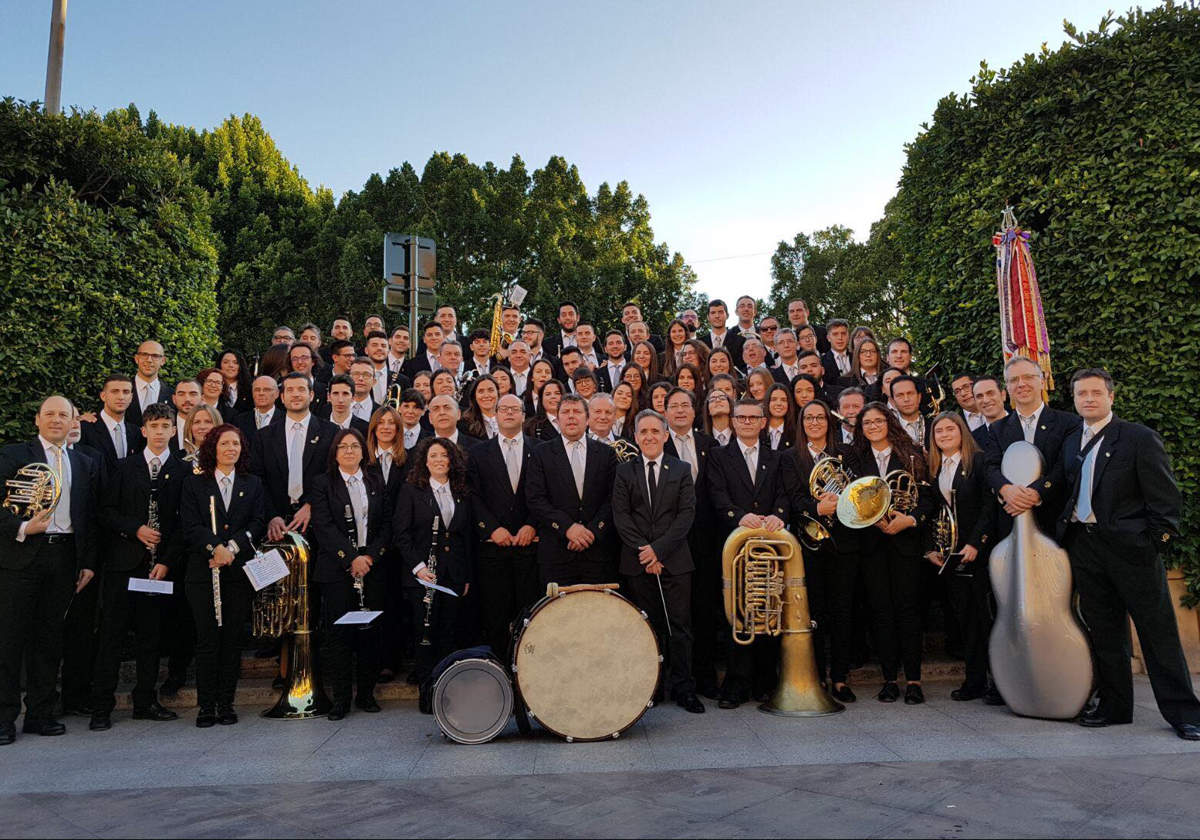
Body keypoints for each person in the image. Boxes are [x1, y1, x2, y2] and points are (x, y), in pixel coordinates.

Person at [1056, 369, 1199, 740]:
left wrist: (1153, 543)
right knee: (1104, 632)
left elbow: (1165, 500)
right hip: (1085, 546)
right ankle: (1115, 707)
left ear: (1110, 397)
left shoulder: (1138, 438)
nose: (1088, 398)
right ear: (1073, 399)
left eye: (1095, 393)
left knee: (1158, 633)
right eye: (1081, 393)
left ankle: (1186, 714)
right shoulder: (1073, 440)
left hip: (1132, 549)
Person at [0, 396, 100, 745]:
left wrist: (86, 561)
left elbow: (89, 517)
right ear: (37, 419)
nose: (57, 420)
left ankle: (40, 714)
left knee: (48, 639)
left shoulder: (85, 461)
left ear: (75, 421)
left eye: (64, 415)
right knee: (9, 639)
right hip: (22, 555)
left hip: (65, 557)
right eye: (50, 414)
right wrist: (24, 528)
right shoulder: (12, 456)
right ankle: (3, 718)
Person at [89, 402, 184, 730]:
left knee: (151, 638)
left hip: (158, 569)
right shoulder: (123, 467)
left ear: (174, 430)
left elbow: (184, 524)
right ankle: (101, 704)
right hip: (123, 564)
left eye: (165, 426)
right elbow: (105, 511)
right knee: (112, 637)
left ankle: (145, 700)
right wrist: (136, 529)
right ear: (143, 431)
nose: (159, 432)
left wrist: (168, 561)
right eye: (153, 426)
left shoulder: (183, 470)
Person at [612, 409, 702, 714]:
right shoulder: (625, 472)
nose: (649, 437)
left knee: (680, 627)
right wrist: (645, 551)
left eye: (655, 431)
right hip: (637, 561)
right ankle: (652, 688)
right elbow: (621, 515)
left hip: (674, 560)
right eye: (643, 432)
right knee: (645, 627)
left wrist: (659, 551)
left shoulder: (681, 469)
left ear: (665, 435)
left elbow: (686, 515)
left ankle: (684, 688)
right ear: (635, 437)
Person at [847, 403, 936, 705]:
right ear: (860, 428)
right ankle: (888, 680)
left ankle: (913, 680)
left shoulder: (911, 455)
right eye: (866, 423)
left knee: (908, 611)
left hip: (905, 542)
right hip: (871, 545)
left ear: (890, 423)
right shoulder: (854, 458)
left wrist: (909, 520)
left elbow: (927, 500)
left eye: (878, 421)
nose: (873, 427)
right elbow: (850, 502)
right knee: (880, 612)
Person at [179, 424, 266, 727]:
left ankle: (226, 702)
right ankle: (206, 705)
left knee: (231, 640)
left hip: (237, 573)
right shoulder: (194, 484)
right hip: (203, 573)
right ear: (213, 447)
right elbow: (189, 525)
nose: (231, 448)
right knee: (207, 639)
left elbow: (257, 522)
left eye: (236, 444)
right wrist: (213, 547)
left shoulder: (252, 482)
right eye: (225, 443)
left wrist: (231, 547)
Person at [707, 397, 790, 709]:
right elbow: (716, 494)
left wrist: (779, 514)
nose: (746, 422)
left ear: (763, 422)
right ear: (733, 421)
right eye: (740, 417)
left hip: (769, 546)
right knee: (737, 615)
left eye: (753, 417)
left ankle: (765, 684)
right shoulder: (717, 456)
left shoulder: (777, 457)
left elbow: (784, 493)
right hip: (735, 547)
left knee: (768, 612)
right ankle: (737, 685)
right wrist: (738, 515)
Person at [310, 428, 392, 720]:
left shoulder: (375, 480)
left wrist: (369, 556)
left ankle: (366, 694)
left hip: (372, 569)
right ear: (335, 452)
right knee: (340, 634)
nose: (349, 451)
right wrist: (350, 559)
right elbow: (323, 527)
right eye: (343, 447)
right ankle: (342, 699)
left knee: (370, 633)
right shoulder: (322, 483)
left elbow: (386, 525)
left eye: (355, 446)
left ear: (363, 451)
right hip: (337, 570)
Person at [925, 412, 997, 704]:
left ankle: (1000, 682)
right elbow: (931, 510)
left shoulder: (977, 462)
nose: (944, 434)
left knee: (986, 619)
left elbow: (989, 506)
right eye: (938, 431)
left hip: (976, 552)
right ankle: (975, 679)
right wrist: (931, 548)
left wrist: (976, 543)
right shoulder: (935, 468)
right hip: (950, 555)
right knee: (965, 620)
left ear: (962, 432)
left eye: (949, 429)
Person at [393, 438, 474, 683]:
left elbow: (466, 536)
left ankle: (444, 687)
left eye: (444, 455)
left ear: (452, 460)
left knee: (449, 633)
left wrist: (467, 574)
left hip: (454, 574)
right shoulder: (411, 490)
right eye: (433, 456)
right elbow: (401, 533)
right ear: (425, 462)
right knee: (425, 632)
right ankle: (427, 689)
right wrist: (418, 568)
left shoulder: (461, 490)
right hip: (424, 575)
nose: (439, 460)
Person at [467, 394, 541, 655]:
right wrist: (491, 528)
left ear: (523, 415)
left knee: (530, 616)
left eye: (515, 409)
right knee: (495, 616)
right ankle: (498, 670)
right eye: (503, 409)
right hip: (493, 550)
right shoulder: (477, 453)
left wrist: (532, 524)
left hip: (529, 548)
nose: (509, 413)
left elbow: (546, 494)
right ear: (495, 415)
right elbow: (472, 496)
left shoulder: (541, 449)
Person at [780, 399, 844, 696]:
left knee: (842, 609)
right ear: (801, 423)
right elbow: (793, 499)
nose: (815, 422)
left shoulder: (843, 454)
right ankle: (817, 676)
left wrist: (840, 506)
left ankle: (841, 677)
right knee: (815, 610)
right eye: (809, 418)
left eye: (820, 417)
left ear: (829, 423)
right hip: (810, 542)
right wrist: (819, 508)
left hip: (844, 540)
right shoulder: (791, 457)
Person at [662, 388, 721, 700]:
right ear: (665, 412)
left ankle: (707, 676)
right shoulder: (657, 444)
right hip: (671, 541)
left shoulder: (709, 445)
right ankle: (676, 679)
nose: (681, 410)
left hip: (706, 541)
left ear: (695, 410)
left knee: (705, 610)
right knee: (676, 614)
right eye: (674, 406)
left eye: (686, 405)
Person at [526, 394, 618, 587]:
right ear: (557, 420)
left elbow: (613, 498)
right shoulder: (540, 453)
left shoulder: (606, 454)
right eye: (565, 412)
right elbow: (535, 499)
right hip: (556, 554)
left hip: (598, 554)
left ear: (587, 419)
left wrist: (592, 532)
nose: (571, 416)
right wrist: (567, 528)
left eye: (577, 411)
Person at [984, 357, 1080, 538]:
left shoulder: (1068, 423)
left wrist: (1038, 492)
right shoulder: (997, 428)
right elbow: (990, 466)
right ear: (1008, 388)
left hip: (1054, 520)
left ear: (1042, 381)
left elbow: (1065, 466)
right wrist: (1006, 490)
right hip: (1012, 520)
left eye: (1028, 377)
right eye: (1014, 380)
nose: (1021, 384)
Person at [250, 372, 337, 544]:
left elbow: (333, 474)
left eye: (301, 389)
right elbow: (257, 480)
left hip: (319, 522)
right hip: (276, 526)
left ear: (311, 395)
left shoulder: (331, 432)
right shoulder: (263, 436)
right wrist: (272, 516)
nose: (296, 394)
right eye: (290, 390)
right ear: (281, 397)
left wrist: (311, 506)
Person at [80, 374, 142, 473]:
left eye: (126, 392)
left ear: (131, 398)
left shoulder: (136, 433)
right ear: (103, 396)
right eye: (115, 391)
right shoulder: (85, 428)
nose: (121, 397)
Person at [128, 340, 173, 429]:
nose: (149, 360)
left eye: (155, 356)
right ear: (136, 358)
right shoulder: (121, 390)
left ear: (163, 361)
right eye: (144, 355)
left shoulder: (172, 395)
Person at [891, 375, 932, 449]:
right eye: (900, 395)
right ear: (893, 401)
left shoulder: (935, 424)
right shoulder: (889, 430)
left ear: (919, 397)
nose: (906, 399)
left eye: (910, 393)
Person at [701, 299, 744, 368]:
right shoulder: (700, 343)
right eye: (713, 313)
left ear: (727, 315)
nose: (717, 316)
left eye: (720, 312)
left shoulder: (740, 342)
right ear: (708, 317)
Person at [289, 342, 329, 415]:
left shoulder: (325, 391)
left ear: (313, 361)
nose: (299, 362)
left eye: (304, 358)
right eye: (294, 359)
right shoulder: (283, 391)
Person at [970, 375, 1008, 448]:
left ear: (1003, 395)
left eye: (990, 393)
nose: (986, 400)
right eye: (979, 396)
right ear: (975, 401)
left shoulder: (1023, 424)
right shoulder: (973, 440)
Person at [461, 375, 500, 440]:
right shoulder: (464, 424)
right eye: (481, 391)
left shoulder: (509, 418)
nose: (486, 395)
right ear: (475, 396)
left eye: (491, 390)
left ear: (497, 393)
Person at [218, 350, 253, 416]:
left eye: (235, 362)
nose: (231, 365)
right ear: (219, 365)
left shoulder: (250, 390)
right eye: (226, 362)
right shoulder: (213, 388)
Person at [762, 383, 795, 451]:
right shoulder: (758, 432)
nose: (779, 403)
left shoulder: (796, 434)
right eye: (774, 399)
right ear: (767, 402)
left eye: (783, 400)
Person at [348, 358, 379, 424]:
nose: (360, 378)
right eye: (355, 374)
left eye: (366, 375)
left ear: (374, 381)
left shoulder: (381, 412)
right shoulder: (331, 409)